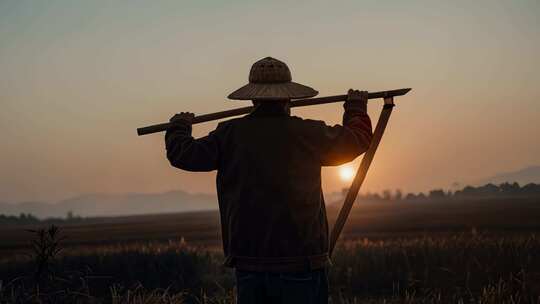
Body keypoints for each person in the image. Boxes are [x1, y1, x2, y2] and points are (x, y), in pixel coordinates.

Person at [165, 57, 372, 304]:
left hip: (249, 262)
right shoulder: (307, 133)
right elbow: (355, 140)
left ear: (253, 99)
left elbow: (184, 155)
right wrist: (356, 109)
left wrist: (179, 127)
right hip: (301, 263)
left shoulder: (230, 134)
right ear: (289, 98)